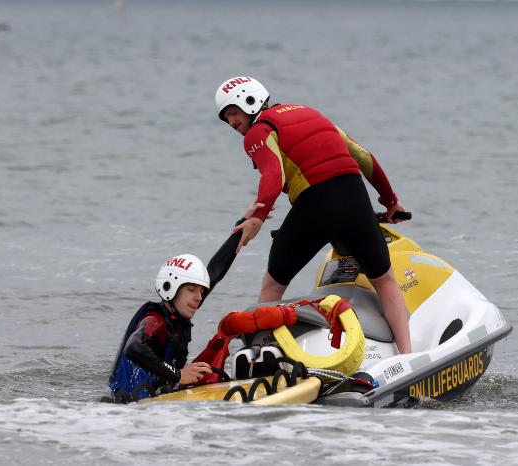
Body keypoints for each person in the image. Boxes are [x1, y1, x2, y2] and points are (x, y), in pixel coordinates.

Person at [214, 76, 413, 354]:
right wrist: (391, 202)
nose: (233, 122)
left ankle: (260, 353)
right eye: (227, 118)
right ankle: (408, 356)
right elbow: (363, 156)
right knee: (385, 280)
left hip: (316, 203)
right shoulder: (310, 112)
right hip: (355, 196)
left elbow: (273, 174)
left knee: (274, 282)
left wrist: (257, 218)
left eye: (234, 112)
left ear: (251, 101)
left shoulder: (258, 132)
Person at [106, 203, 267, 403]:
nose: (199, 298)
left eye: (201, 291)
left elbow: (214, 272)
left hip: (151, 401)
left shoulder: (179, 311)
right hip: (125, 407)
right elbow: (133, 347)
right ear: (170, 289)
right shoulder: (154, 320)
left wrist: (242, 228)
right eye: (192, 290)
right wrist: (179, 375)